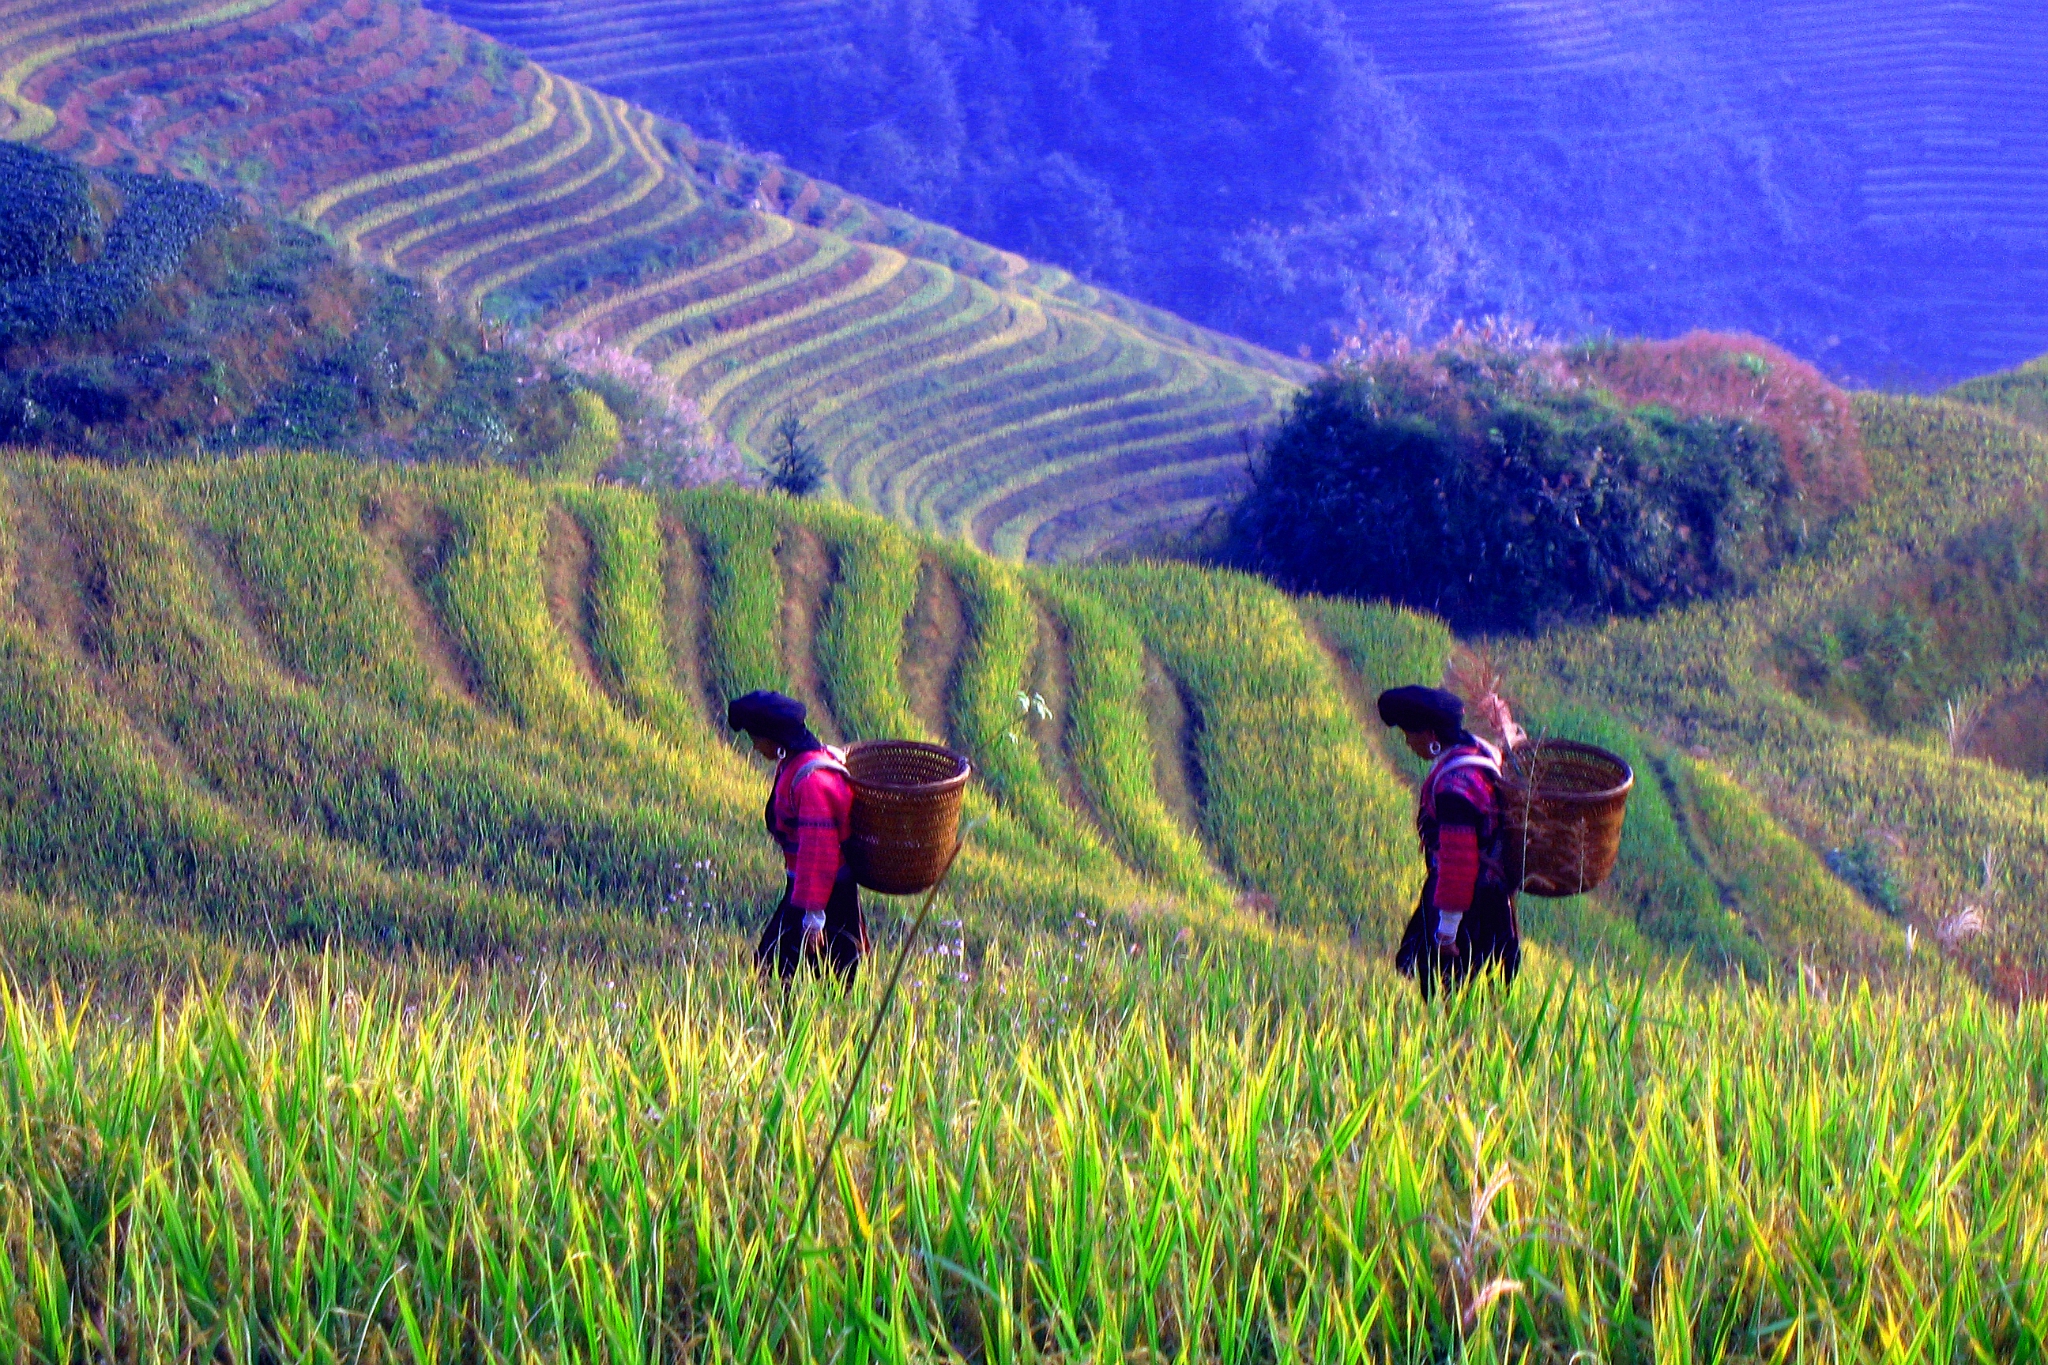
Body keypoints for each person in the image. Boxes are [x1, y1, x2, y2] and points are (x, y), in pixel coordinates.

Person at [1378, 685, 1521, 998]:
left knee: (1449, 994)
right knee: (1485, 997)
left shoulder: (1455, 790)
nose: (1407, 742)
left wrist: (1447, 933)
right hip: (1493, 901)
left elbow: (1459, 866)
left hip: (1469, 910)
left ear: (1430, 736)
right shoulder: (1477, 754)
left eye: (1408, 734)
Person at [727, 690, 868, 981]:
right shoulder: (798, 764)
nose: (754, 747)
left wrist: (814, 915)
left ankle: (817, 1022)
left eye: (756, 739)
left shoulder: (812, 783)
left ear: (776, 740)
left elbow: (819, 851)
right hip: (809, 889)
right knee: (798, 968)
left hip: (828, 895)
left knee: (785, 968)